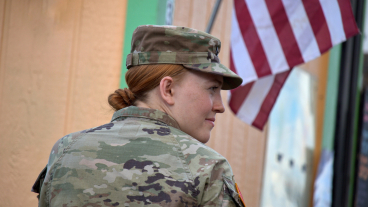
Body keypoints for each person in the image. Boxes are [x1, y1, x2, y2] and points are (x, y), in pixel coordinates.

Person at [32, 25, 245, 207]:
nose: (219, 106)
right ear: (168, 89)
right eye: (212, 89)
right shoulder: (207, 167)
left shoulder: (65, 150)